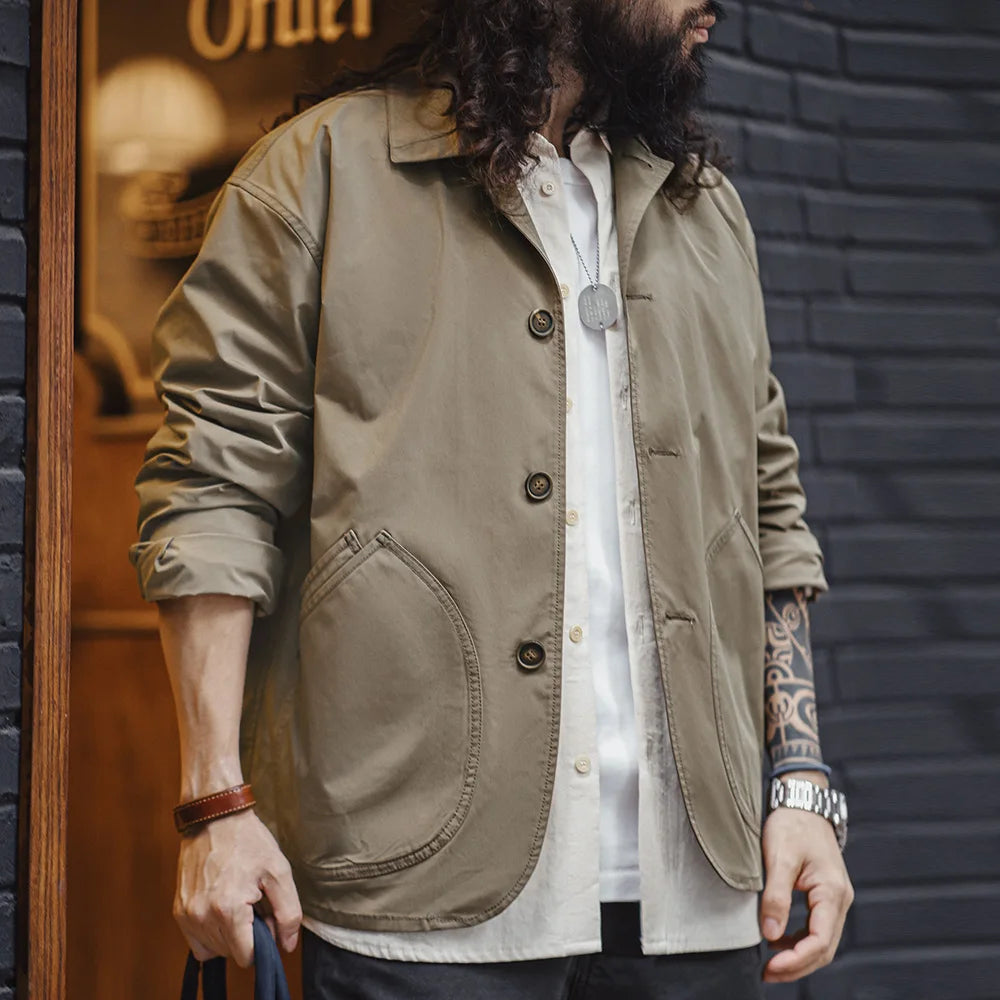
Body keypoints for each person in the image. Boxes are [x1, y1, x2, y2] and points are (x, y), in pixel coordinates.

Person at [128, 0, 854, 995]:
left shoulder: (706, 211)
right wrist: (215, 805)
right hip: (420, 905)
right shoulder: (320, 173)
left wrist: (801, 783)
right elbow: (213, 487)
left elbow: (768, 506)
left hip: (700, 894)